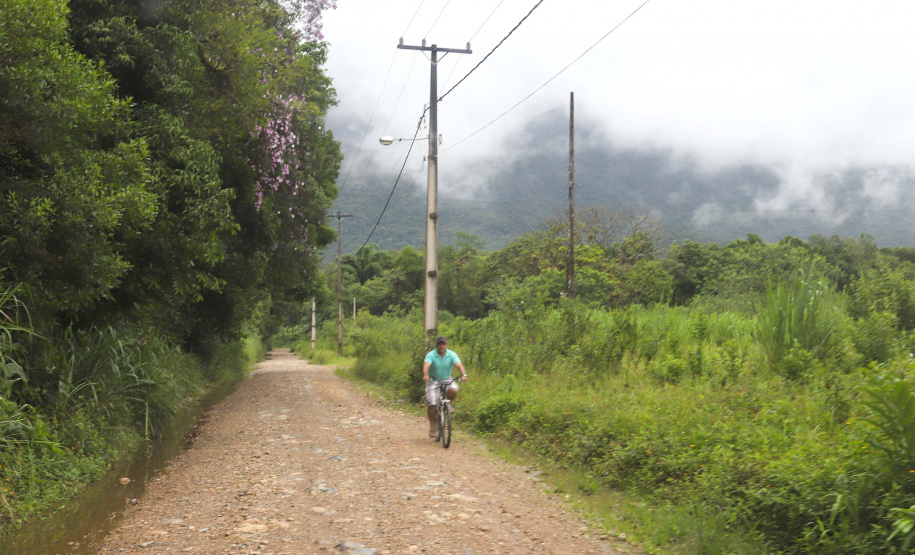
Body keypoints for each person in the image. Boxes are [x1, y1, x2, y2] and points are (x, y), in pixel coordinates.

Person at [422, 335, 467, 438]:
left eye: (443, 344)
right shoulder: (431, 355)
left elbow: (459, 365)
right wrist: (425, 375)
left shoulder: (452, 355)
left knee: (453, 389)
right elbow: (426, 365)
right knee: (433, 402)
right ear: (436, 345)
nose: (441, 346)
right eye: (439, 344)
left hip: (446, 378)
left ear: (447, 345)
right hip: (433, 380)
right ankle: (432, 425)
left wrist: (464, 375)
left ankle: (447, 404)